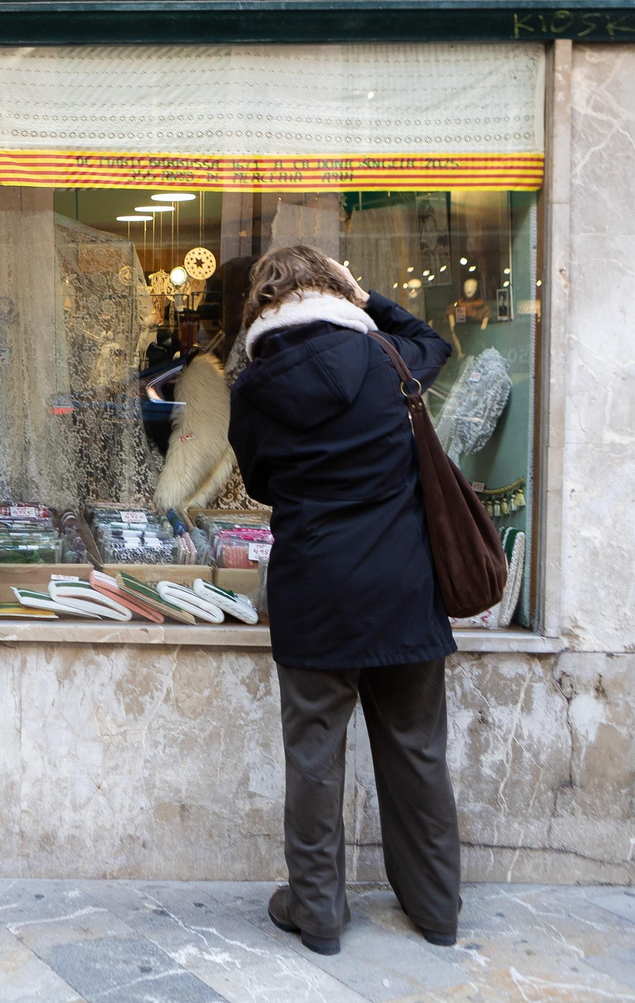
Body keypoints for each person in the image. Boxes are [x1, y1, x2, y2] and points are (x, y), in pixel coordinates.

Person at [226, 244, 460, 957]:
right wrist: (366, 298)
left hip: (315, 589)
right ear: (336, 293)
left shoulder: (253, 388)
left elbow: (262, 482)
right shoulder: (390, 359)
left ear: (261, 310)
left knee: (315, 757)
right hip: (402, 585)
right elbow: (435, 341)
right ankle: (436, 910)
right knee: (417, 750)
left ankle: (319, 913)